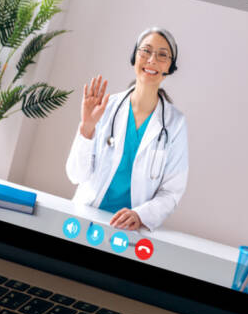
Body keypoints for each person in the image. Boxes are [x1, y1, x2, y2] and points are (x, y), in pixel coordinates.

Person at [66, 29, 188, 232]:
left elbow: (171, 191)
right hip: (86, 216)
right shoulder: (106, 107)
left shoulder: (175, 124)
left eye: (162, 55)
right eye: (145, 51)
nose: (152, 60)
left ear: (170, 66)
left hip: (130, 229)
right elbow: (76, 175)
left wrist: (141, 215)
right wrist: (87, 128)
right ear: (134, 58)